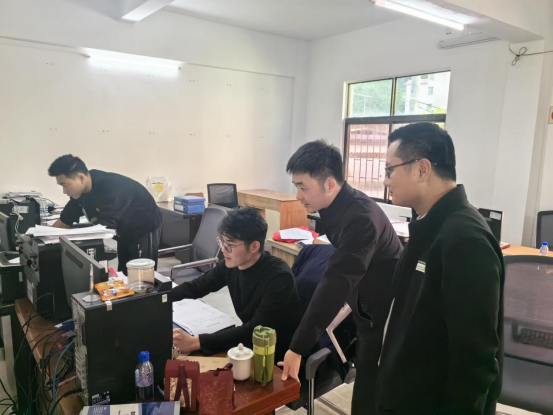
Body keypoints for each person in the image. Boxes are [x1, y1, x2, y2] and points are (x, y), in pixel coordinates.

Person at [376, 123, 504, 415]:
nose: (385, 181)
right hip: (405, 395)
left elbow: (474, 361)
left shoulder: (465, 239)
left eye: (390, 170)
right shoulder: (429, 224)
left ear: (422, 169)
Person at [279, 140, 403, 414]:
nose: (298, 195)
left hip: (383, 311)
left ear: (330, 184)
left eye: (303, 187)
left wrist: (297, 348)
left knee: (371, 382)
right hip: (363, 299)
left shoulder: (360, 219)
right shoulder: (337, 205)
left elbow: (335, 285)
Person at [171, 208, 302, 361]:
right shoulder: (231, 266)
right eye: (222, 242)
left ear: (254, 247)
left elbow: (256, 329)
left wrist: (196, 342)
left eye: (230, 245)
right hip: (249, 342)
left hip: (275, 354)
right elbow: (196, 287)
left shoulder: (279, 277)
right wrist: (160, 297)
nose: (223, 249)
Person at [48, 155, 162, 275]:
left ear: (81, 178)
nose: (64, 191)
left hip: (144, 227)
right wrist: (41, 240)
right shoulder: (81, 193)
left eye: (65, 185)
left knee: (141, 275)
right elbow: (65, 220)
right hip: (124, 231)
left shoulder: (110, 188)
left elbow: (102, 229)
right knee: (124, 272)